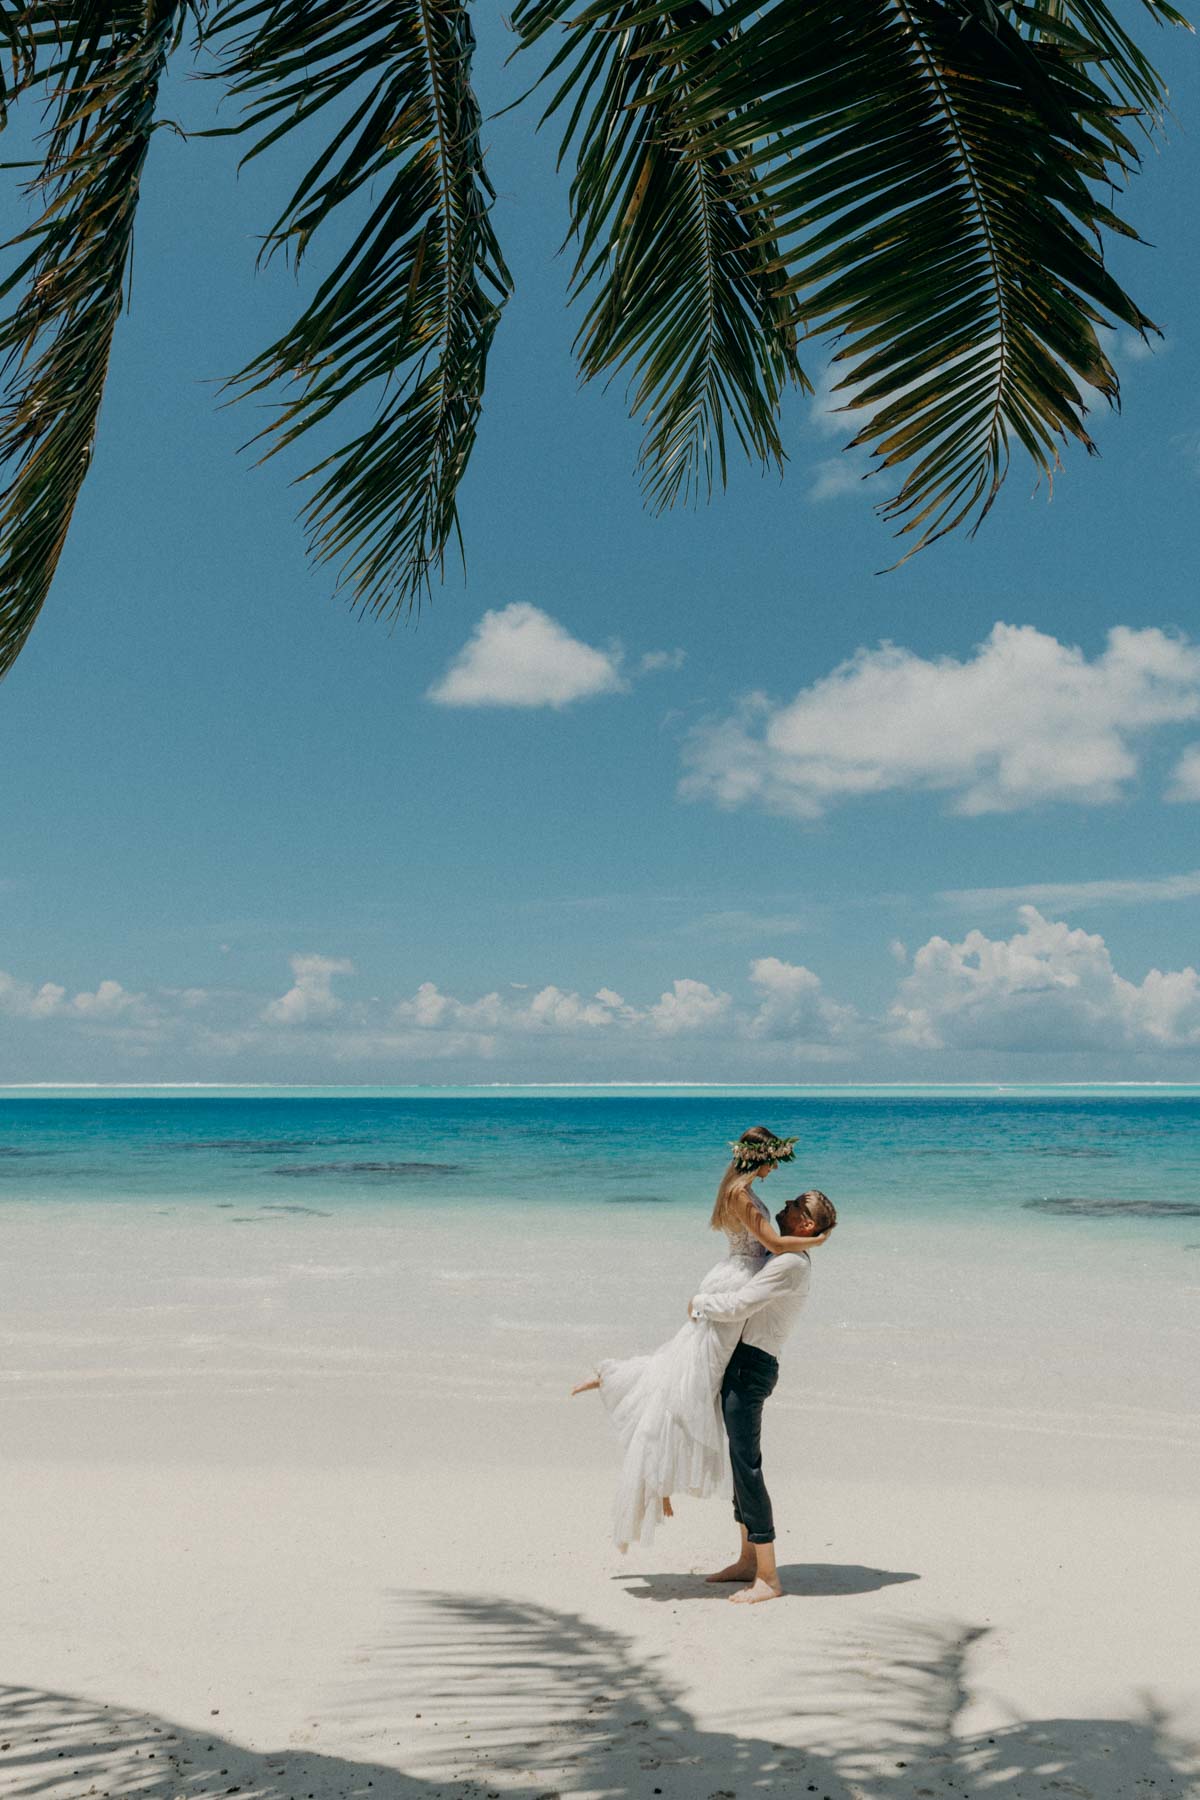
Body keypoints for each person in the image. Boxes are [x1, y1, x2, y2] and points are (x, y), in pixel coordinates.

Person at [570, 1126, 830, 1552]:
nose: (771, 1174)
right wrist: (817, 1240)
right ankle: (654, 1462)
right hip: (734, 1283)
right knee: (693, 1377)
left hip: (734, 1279)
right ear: (758, 1158)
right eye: (772, 1163)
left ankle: (627, 1401)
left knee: (689, 1369)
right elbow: (771, 1243)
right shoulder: (742, 1195)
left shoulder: (737, 1190)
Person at [691, 1188, 838, 1604]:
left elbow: (740, 1304)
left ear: (805, 1224)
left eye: (794, 1206)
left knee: (747, 1465)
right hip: (745, 1361)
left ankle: (769, 1577)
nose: (785, 1205)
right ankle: (747, 1560)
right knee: (739, 1463)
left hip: (752, 1367)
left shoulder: (790, 1264)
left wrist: (699, 1304)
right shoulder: (785, 1256)